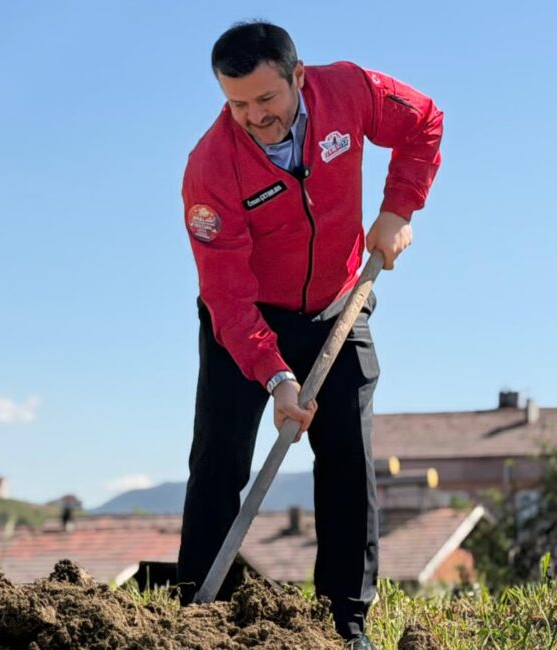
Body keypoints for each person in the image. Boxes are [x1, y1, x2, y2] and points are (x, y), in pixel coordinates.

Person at [177, 21, 442, 649]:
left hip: (337, 306)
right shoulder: (211, 168)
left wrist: (398, 207)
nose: (252, 116)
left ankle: (345, 623)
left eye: (266, 99)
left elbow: (424, 122)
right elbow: (226, 294)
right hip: (246, 323)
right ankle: (194, 618)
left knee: (348, 456)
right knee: (219, 460)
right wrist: (276, 375)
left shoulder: (348, 92)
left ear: (298, 77)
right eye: (236, 103)